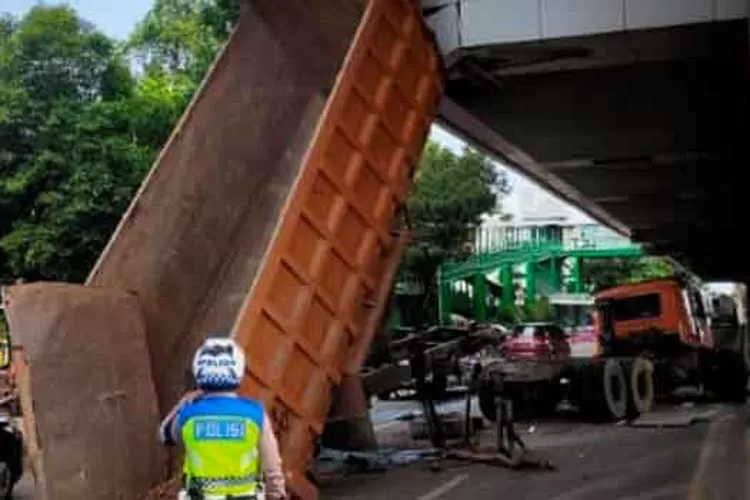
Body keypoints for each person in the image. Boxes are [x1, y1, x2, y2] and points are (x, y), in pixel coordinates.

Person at [159, 336, 286, 499]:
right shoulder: (255, 414)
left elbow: (165, 434)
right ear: (238, 370)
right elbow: (272, 467)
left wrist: (185, 401)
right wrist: (276, 494)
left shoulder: (188, 415)